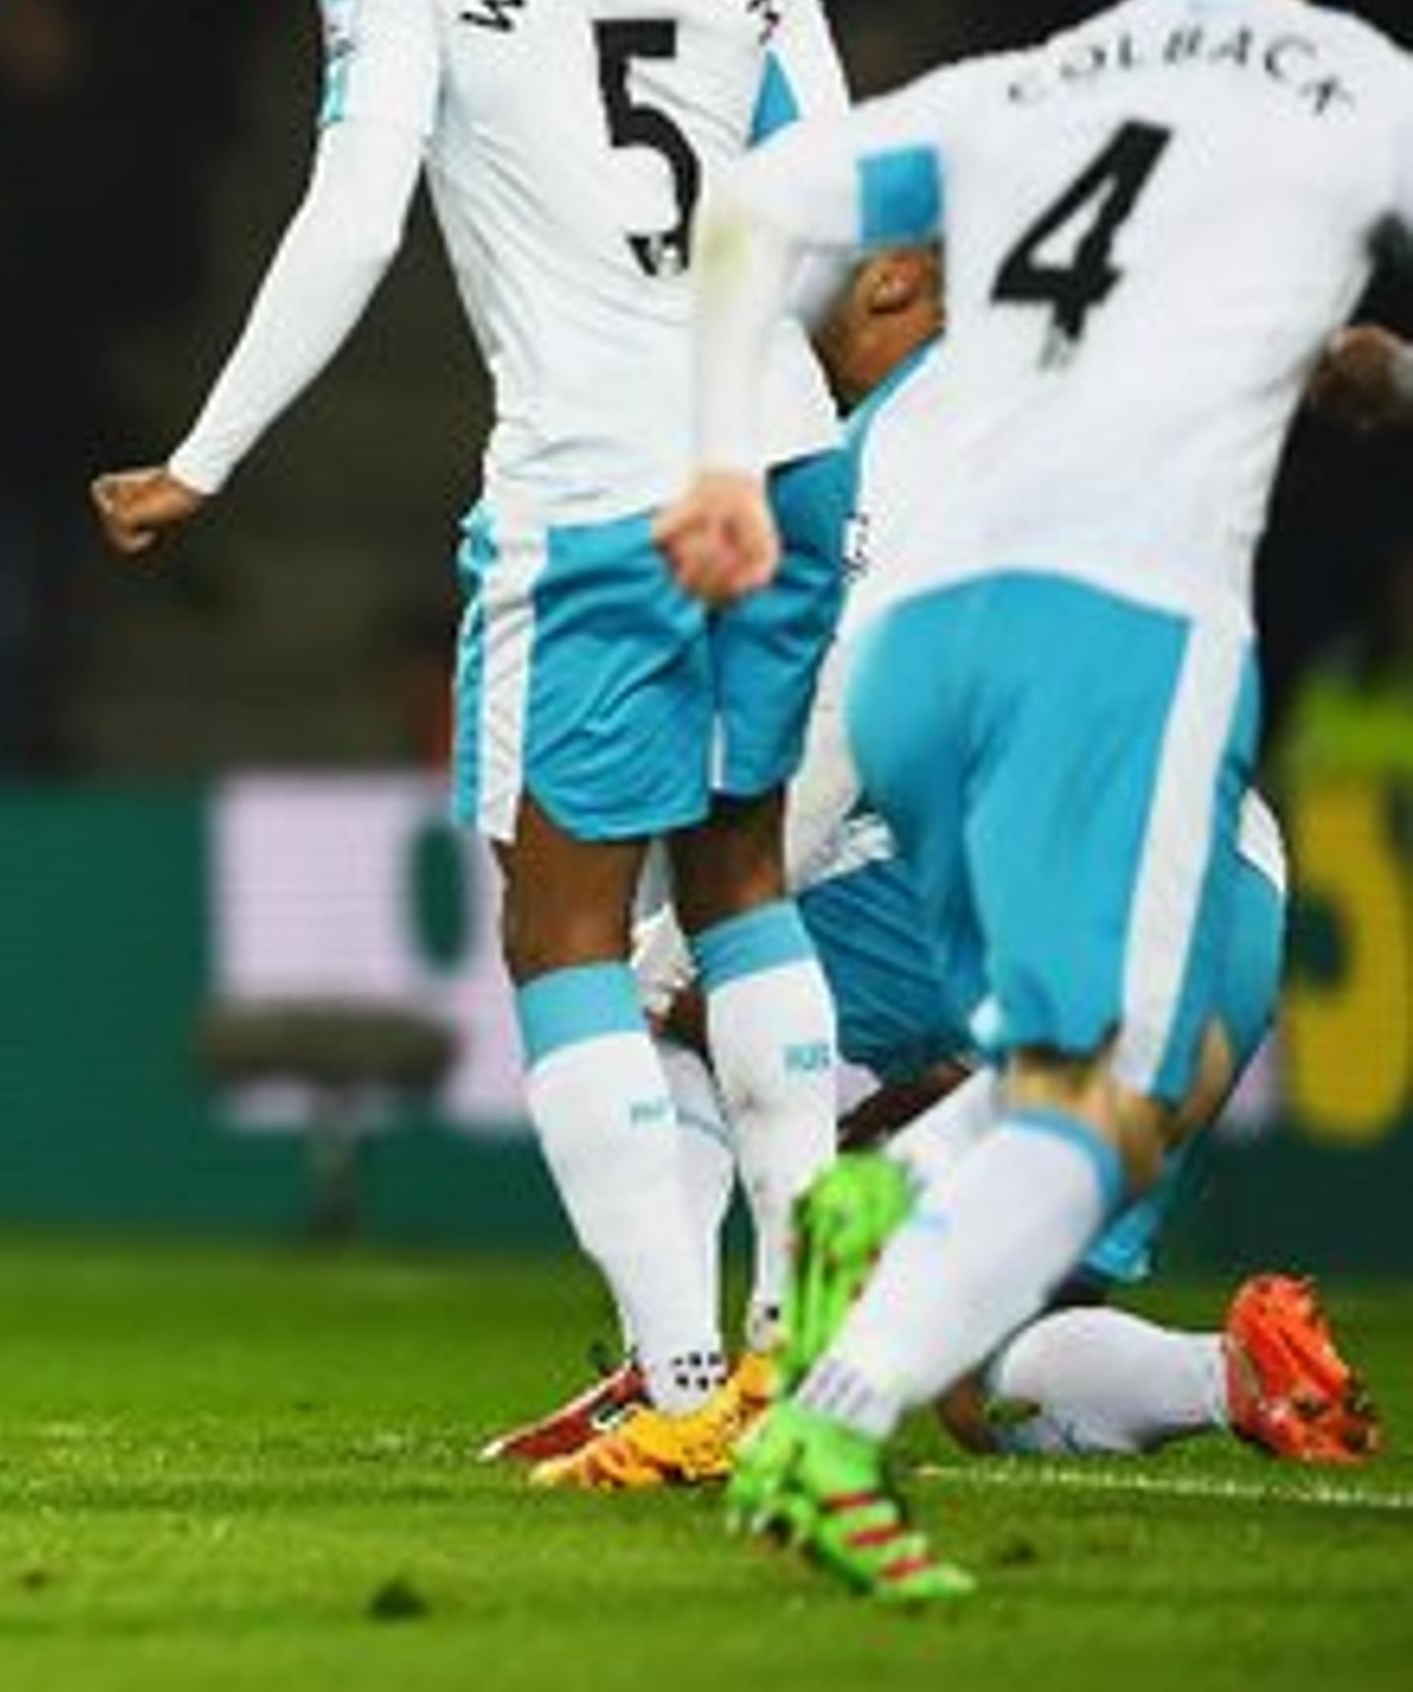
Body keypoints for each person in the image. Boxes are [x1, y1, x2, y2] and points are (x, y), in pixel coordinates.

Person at [89, 0, 856, 1488]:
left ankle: (683, 1386)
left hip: (596, 488)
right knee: (746, 871)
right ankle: (803, 1349)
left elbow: (354, 214)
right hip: (783, 458)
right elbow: (844, 201)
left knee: (565, 922)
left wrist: (208, 449)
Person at [665, 0, 1413, 1598]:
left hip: (922, 646)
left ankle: (881, 1244)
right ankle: (837, 1362)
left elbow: (760, 206)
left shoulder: (1033, 84)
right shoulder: (1353, 89)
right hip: (1119, 636)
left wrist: (712, 459)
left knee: (1064, 1090)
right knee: (1093, 1108)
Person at [491, 245, 1378, 1475]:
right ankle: (1233, 1375)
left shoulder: (899, 436)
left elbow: (837, 723)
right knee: (985, 1365)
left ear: (899, 279)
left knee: (650, 1005)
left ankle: (678, 1380)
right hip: (1227, 905)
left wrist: (691, 933)